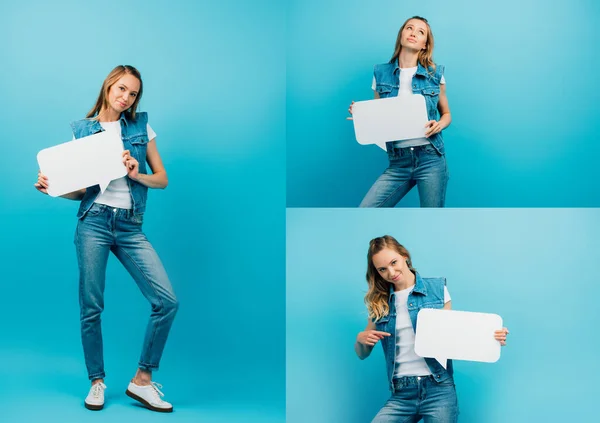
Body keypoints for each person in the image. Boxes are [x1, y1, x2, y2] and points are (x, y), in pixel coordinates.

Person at [34, 65, 178, 413]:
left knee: (166, 301)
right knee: (91, 307)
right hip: (94, 224)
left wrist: (136, 173)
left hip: (129, 226)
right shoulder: (82, 131)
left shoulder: (142, 127)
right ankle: (96, 382)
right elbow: (80, 191)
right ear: (109, 85)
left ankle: (142, 381)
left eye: (133, 94)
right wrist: (52, 189)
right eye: (122, 88)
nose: (126, 97)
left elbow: (162, 179)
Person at [355, 235, 509, 422]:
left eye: (394, 262)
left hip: (438, 389)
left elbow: (454, 336)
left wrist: (491, 337)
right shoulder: (380, 303)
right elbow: (362, 353)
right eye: (382, 269)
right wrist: (361, 340)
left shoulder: (437, 289)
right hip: (401, 392)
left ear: (404, 256)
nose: (391, 271)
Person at [349, 16, 451, 207]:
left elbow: (447, 114)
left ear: (424, 45)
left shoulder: (435, 74)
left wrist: (439, 125)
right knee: (366, 208)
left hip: (431, 159)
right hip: (398, 162)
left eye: (420, 32)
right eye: (409, 28)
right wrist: (361, 116)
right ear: (402, 35)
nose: (413, 33)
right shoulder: (381, 73)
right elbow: (380, 117)